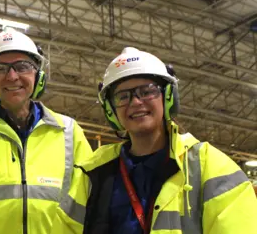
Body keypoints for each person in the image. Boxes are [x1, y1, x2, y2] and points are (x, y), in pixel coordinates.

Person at [79, 47, 257, 234]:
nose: (136, 102)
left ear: (168, 97)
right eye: (122, 96)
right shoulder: (93, 173)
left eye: (147, 91)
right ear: (110, 110)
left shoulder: (209, 166)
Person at [0, 27, 92, 234]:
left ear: (38, 75)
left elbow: (88, 208)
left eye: (22, 67)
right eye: (0, 69)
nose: (12, 77)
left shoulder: (69, 133)